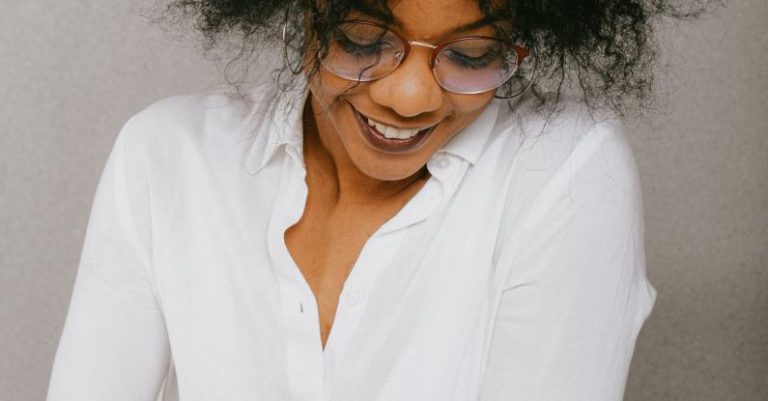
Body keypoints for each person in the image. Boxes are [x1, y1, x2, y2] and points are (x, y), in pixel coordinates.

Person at [46, 0, 703, 400]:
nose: (411, 96)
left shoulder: (561, 172)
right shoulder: (167, 157)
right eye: (363, 40)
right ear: (305, 9)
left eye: (473, 55)